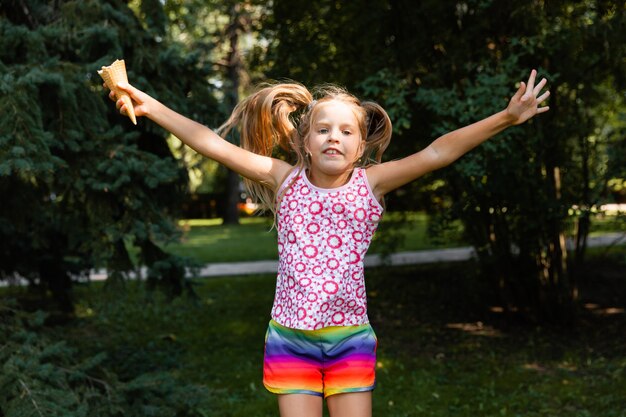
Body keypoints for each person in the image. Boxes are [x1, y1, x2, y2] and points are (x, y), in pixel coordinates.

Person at [104, 69, 549, 417]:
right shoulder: (284, 179)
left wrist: (507, 117)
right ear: (305, 142)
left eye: (346, 131)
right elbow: (209, 143)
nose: (334, 136)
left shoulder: (370, 184)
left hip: (350, 341)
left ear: (360, 146)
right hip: (289, 340)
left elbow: (438, 152)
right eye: (323, 130)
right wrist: (152, 107)